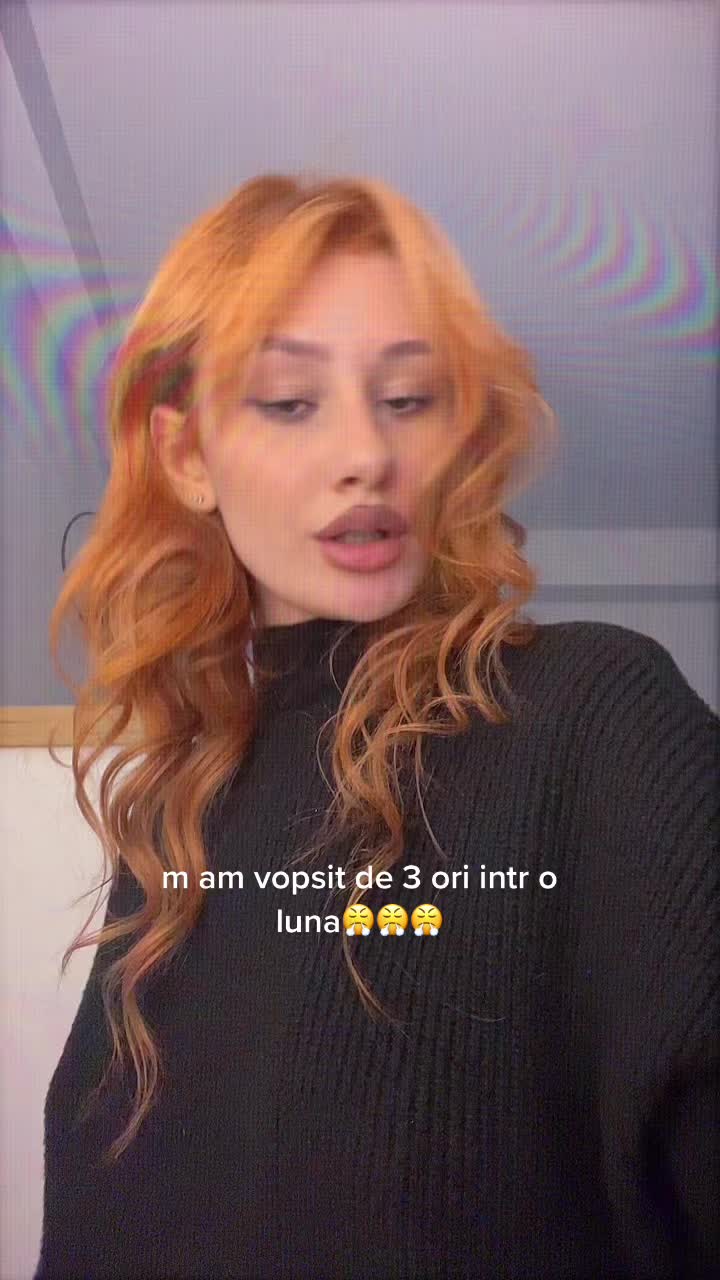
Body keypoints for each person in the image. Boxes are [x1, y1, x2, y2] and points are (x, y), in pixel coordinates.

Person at [36, 173, 719, 1280]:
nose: (368, 452)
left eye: (409, 397)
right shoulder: (175, 822)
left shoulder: (593, 719)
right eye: (289, 400)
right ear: (187, 455)